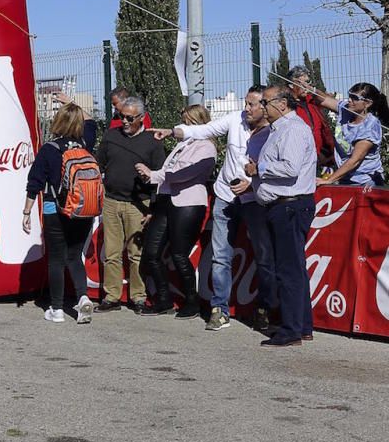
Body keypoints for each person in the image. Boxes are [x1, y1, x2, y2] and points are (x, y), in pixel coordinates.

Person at [154, 86, 276, 331]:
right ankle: (219, 310)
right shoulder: (235, 119)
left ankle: (265, 309)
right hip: (224, 195)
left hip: (256, 200)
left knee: (264, 257)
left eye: (252, 104)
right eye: (246, 102)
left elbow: (280, 167)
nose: (246, 109)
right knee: (221, 256)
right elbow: (205, 129)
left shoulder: (275, 131)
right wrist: (173, 131)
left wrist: (251, 184)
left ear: (266, 106)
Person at [245, 85, 317, 347]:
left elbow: (290, 167)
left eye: (265, 102)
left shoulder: (293, 129)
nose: (262, 107)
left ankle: (291, 329)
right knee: (293, 268)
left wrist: (258, 168)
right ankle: (301, 325)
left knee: (288, 270)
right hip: (283, 205)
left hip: (290, 205)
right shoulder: (279, 130)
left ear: (283, 104)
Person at [135, 105, 216, 318]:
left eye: (187, 122)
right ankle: (164, 300)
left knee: (179, 254)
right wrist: (150, 175)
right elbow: (166, 171)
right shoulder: (181, 145)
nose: (183, 127)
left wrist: (156, 175)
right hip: (166, 199)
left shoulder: (206, 147)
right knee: (151, 253)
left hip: (188, 203)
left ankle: (192, 301)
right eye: (183, 121)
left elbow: (186, 173)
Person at [23, 101, 97, 324]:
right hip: (83, 209)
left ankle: (56, 309)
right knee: (74, 256)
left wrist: (26, 212)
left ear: (58, 122)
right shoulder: (86, 143)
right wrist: (71, 103)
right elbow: (91, 120)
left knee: (56, 259)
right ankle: (83, 296)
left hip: (54, 209)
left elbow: (34, 183)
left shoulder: (50, 149)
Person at [94, 96, 164, 312]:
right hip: (112, 201)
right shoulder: (111, 136)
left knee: (136, 254)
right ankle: (112, 296)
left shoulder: (153, 142)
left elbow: (161, 177)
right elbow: (99, 164)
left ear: (141, 118)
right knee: (112, 253)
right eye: (120, 116)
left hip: (138, 204)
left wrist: (152, 207)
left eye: (129, 118)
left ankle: (138, 297)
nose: (124, 121)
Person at [309, 82, 389, 187]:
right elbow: (323, 99)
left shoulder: (371, 126)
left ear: (368, 103)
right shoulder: (346, 109)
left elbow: (355, 160)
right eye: (349, 96)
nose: (349, 100)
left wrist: (329, 180)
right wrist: (311, 89)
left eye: (354, 98)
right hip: (346, 178)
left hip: (366, 182)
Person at [285, 66, 336, 170]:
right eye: (301, 83)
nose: (306, 86)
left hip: (322, 159)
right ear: (291, 85)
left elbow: (327, 100)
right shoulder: (287, 105)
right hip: (301, 159)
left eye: (308, 82)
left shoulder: (313, 100)